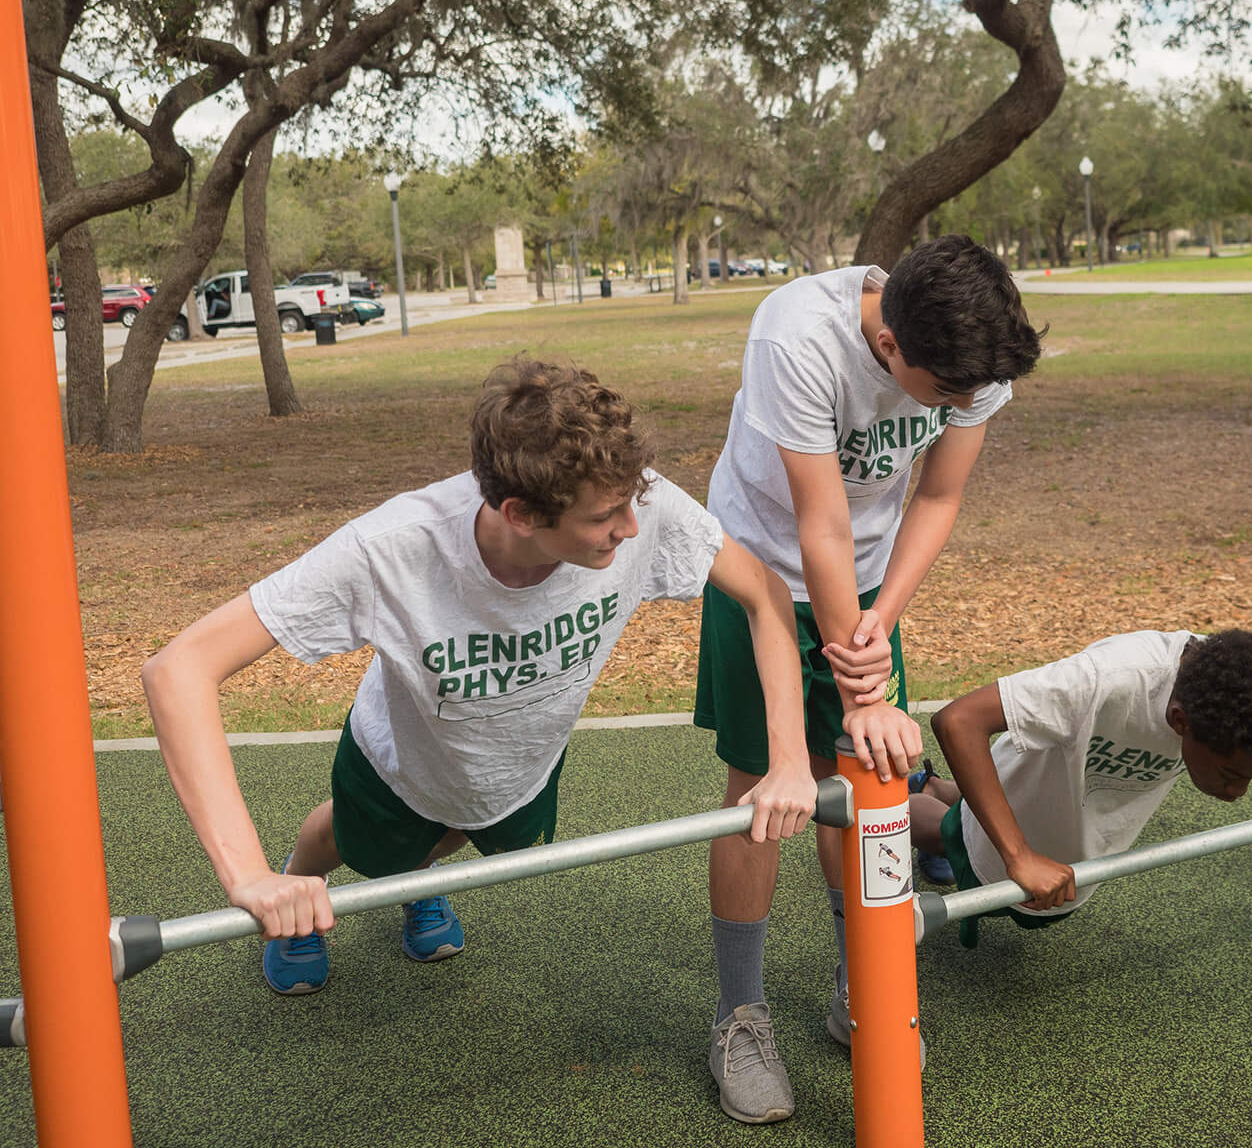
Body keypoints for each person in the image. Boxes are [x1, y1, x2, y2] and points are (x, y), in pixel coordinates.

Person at [141, 358, 816, 999]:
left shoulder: (638, 503)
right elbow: (178, 670)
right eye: (603, 519)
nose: (632, 528)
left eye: (630, 503)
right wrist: (250, 877)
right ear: (520, 513)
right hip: (400, 762)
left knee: (455, 834)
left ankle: (419, 872)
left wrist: (786, 760)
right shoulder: (393, 550)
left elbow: (767, 595)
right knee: (354, 843)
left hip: (519, 760)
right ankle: (303, 874)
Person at [695, 234, 1044, 1124]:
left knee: (868, 777)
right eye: (947, 395)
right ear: (889, 346)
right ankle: (740, 1016)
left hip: (868, 574)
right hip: (762, 569)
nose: (967, 404)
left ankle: (865, 987)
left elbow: (937, 497)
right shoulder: (796, 337)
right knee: (767, 787)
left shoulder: (971, 352)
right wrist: (867, 690)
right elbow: (818, 524)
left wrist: (879, 622)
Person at [906, 629, 1252, 949]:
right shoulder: (1106, 679)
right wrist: (1019, 855)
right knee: (962, 840)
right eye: (1229, 774)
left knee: (1046, 876)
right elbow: (957, 720)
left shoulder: (1228, 680)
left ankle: (933, 786)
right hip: (1022, 787)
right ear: (1181, 721)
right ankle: (896, 811)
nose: (1237, 792)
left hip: (1071, 801)